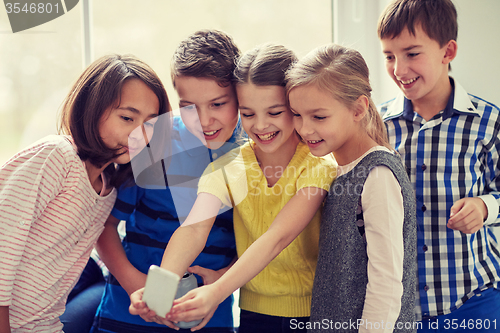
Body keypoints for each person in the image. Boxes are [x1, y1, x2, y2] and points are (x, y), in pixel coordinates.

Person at [130, 43, 337, 333]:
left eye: (275, 112)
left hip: (313, 314)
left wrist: (217, 291)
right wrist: (159, 288)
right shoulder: (228, 167)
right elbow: (193, 228)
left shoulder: (318, 166)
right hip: (252, 312)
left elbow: (277, 238)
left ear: (295, 107)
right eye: (249, 113)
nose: (261, 125)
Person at [0, 54, 170, 333]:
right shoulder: (56, 156)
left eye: (150, 124)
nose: (140, 135)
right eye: (127, 118)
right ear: (92, 108)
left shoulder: (108, 189)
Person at [91, 29, 242, 333]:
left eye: (218, 104)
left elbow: (262, 238)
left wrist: (224, 280)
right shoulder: (155, 140)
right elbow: (104, 226)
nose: (204, 120)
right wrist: (140, 288)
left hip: (206, 317)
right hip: (126, 315)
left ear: (240, 95)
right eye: (188, 106)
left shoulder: (258, 151)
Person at [377, 0, 500, 331]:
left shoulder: (488, 123)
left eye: (412, 53)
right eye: (389, 56)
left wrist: (485, 207)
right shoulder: (376, 126)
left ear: (448, 51)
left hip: (474, 302)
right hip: (396, 308)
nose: (399, 69)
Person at [287, 44, 417, 333]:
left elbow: (386, 284)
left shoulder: (378, 174)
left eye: (319, 117)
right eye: (297, 114)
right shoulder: (332, 167)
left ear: (358, 109)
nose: (305, 129)